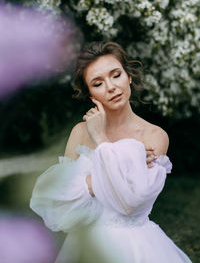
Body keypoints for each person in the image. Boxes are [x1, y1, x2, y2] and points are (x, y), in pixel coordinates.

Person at [30, 41, 192, 263]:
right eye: (98, 83)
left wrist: (101, 140)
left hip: (136, 247)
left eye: (116, 75)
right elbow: (57, 196)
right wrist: (118, 170)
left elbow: (131, 202)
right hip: (85, 248)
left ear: (129, 77)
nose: (111, 87)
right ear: (90, 95)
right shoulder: (80, 131)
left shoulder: (153, 135)